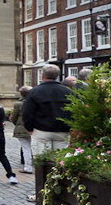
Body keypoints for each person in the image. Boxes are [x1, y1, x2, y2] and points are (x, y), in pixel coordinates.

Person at [23, 64, 72, 203]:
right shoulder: (67, 91)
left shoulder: (35, 92)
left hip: (41, 132)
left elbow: (27, 113)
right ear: (57, 75)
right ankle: (59, 193)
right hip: (62, 133)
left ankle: (42, 194)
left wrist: (29, 128)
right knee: (60, 164)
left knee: (41, 164)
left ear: (42, 75)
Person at [10, 86, 33, 173]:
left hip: (22, 128)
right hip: (34, 127)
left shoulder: (18, 104)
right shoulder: (34, 103)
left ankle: (28, 167)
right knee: (30, 147)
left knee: (26, 148)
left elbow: (13, 117)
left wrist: (17, 124)